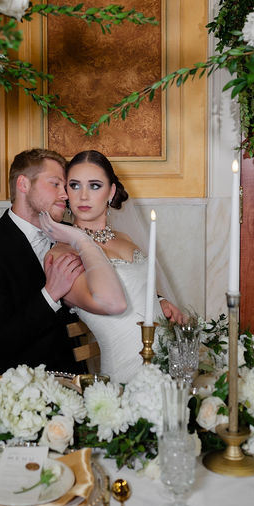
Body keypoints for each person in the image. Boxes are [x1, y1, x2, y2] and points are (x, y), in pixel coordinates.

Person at [0, 149, 126, 382]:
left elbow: (115, 270)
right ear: (24, 184)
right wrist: (50, 294)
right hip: (6, 385)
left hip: (69, 379)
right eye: (56, 184)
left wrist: (158, 300)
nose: (66, 195)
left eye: (65, 186)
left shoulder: (71, 235)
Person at [39, 150, 185, 384]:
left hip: (169, 364)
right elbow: (110, 303)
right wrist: (80, 239)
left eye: (94, 186)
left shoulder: (124, 237)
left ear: (112, 191)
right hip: (127, 378)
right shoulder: (62, 255)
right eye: (75, 186)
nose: (83, 196)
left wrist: (160, 302)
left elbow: (138, 287)